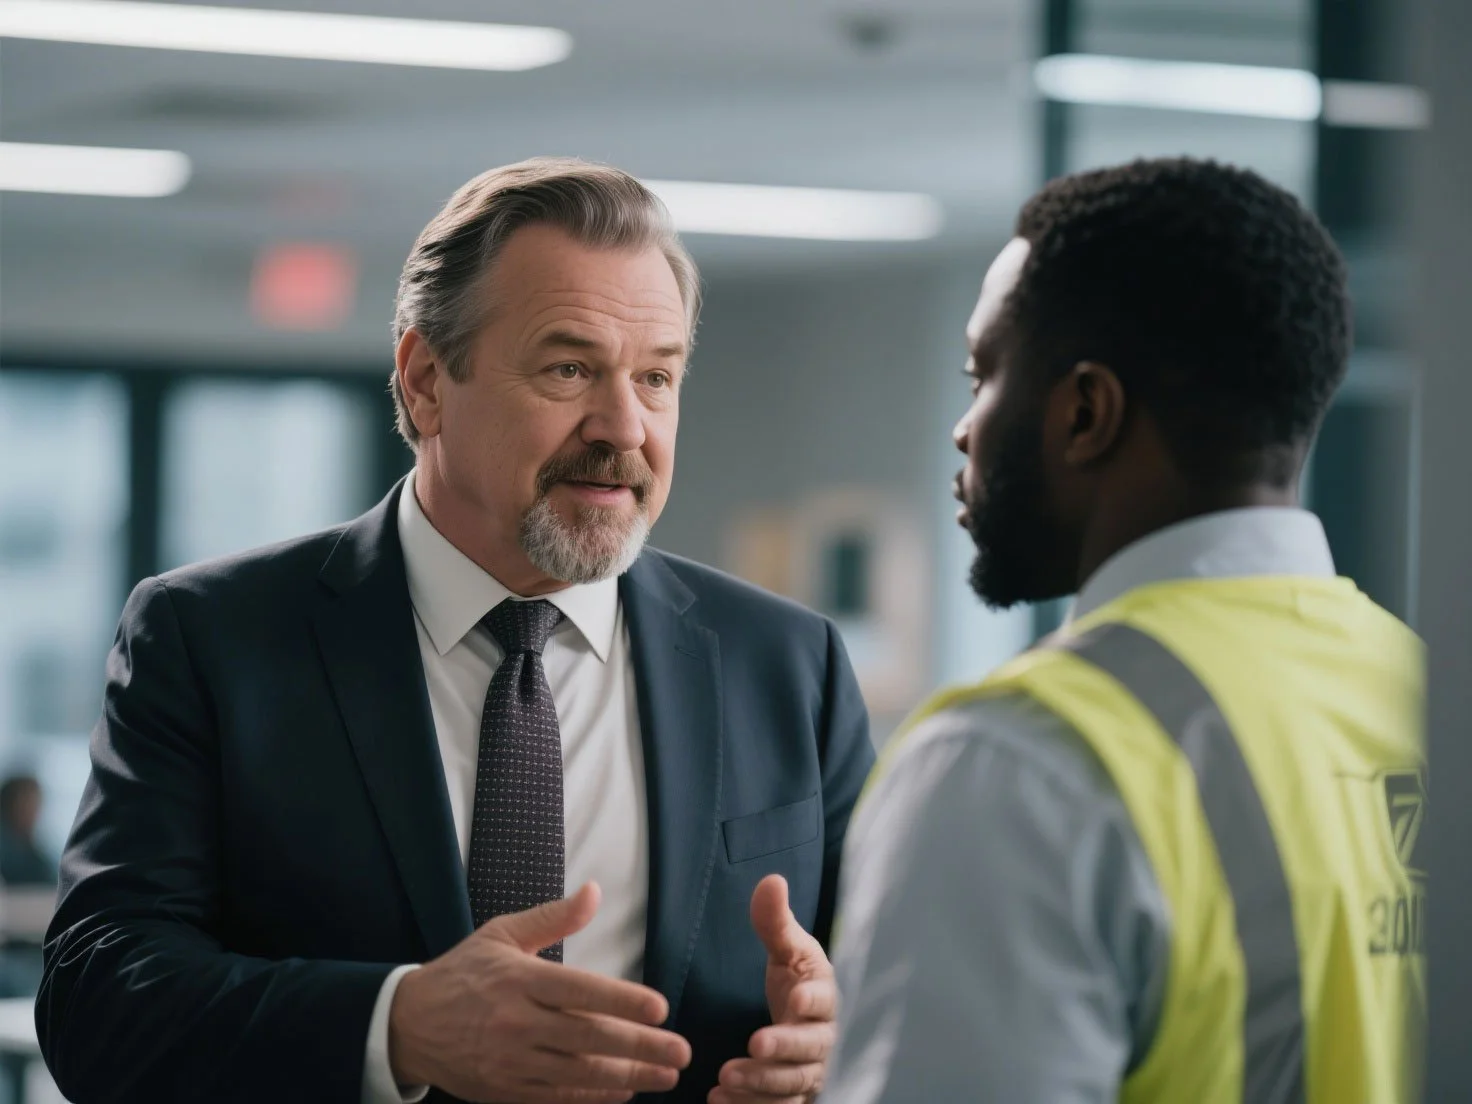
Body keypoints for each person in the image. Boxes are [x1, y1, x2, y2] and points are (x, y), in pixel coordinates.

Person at [39, 158, 874, 1104]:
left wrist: (837, 1039)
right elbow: (98, 999)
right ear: (427, 381)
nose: (624, 425)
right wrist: (394, 1025)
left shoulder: (784, 661)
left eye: (656, 377)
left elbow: (887, 978)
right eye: (569, 368)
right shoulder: (211, 638)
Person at [823, 158, 1425, 1102]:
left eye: (983, 374)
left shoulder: (1017, 763)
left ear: (1085, 412)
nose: (963, 430)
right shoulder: (1422, 690)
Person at [0, 775, 55, 888]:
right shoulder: (8, 855)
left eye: (35, 803)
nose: (33, 812)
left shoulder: (38, 858)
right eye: (25, 803)